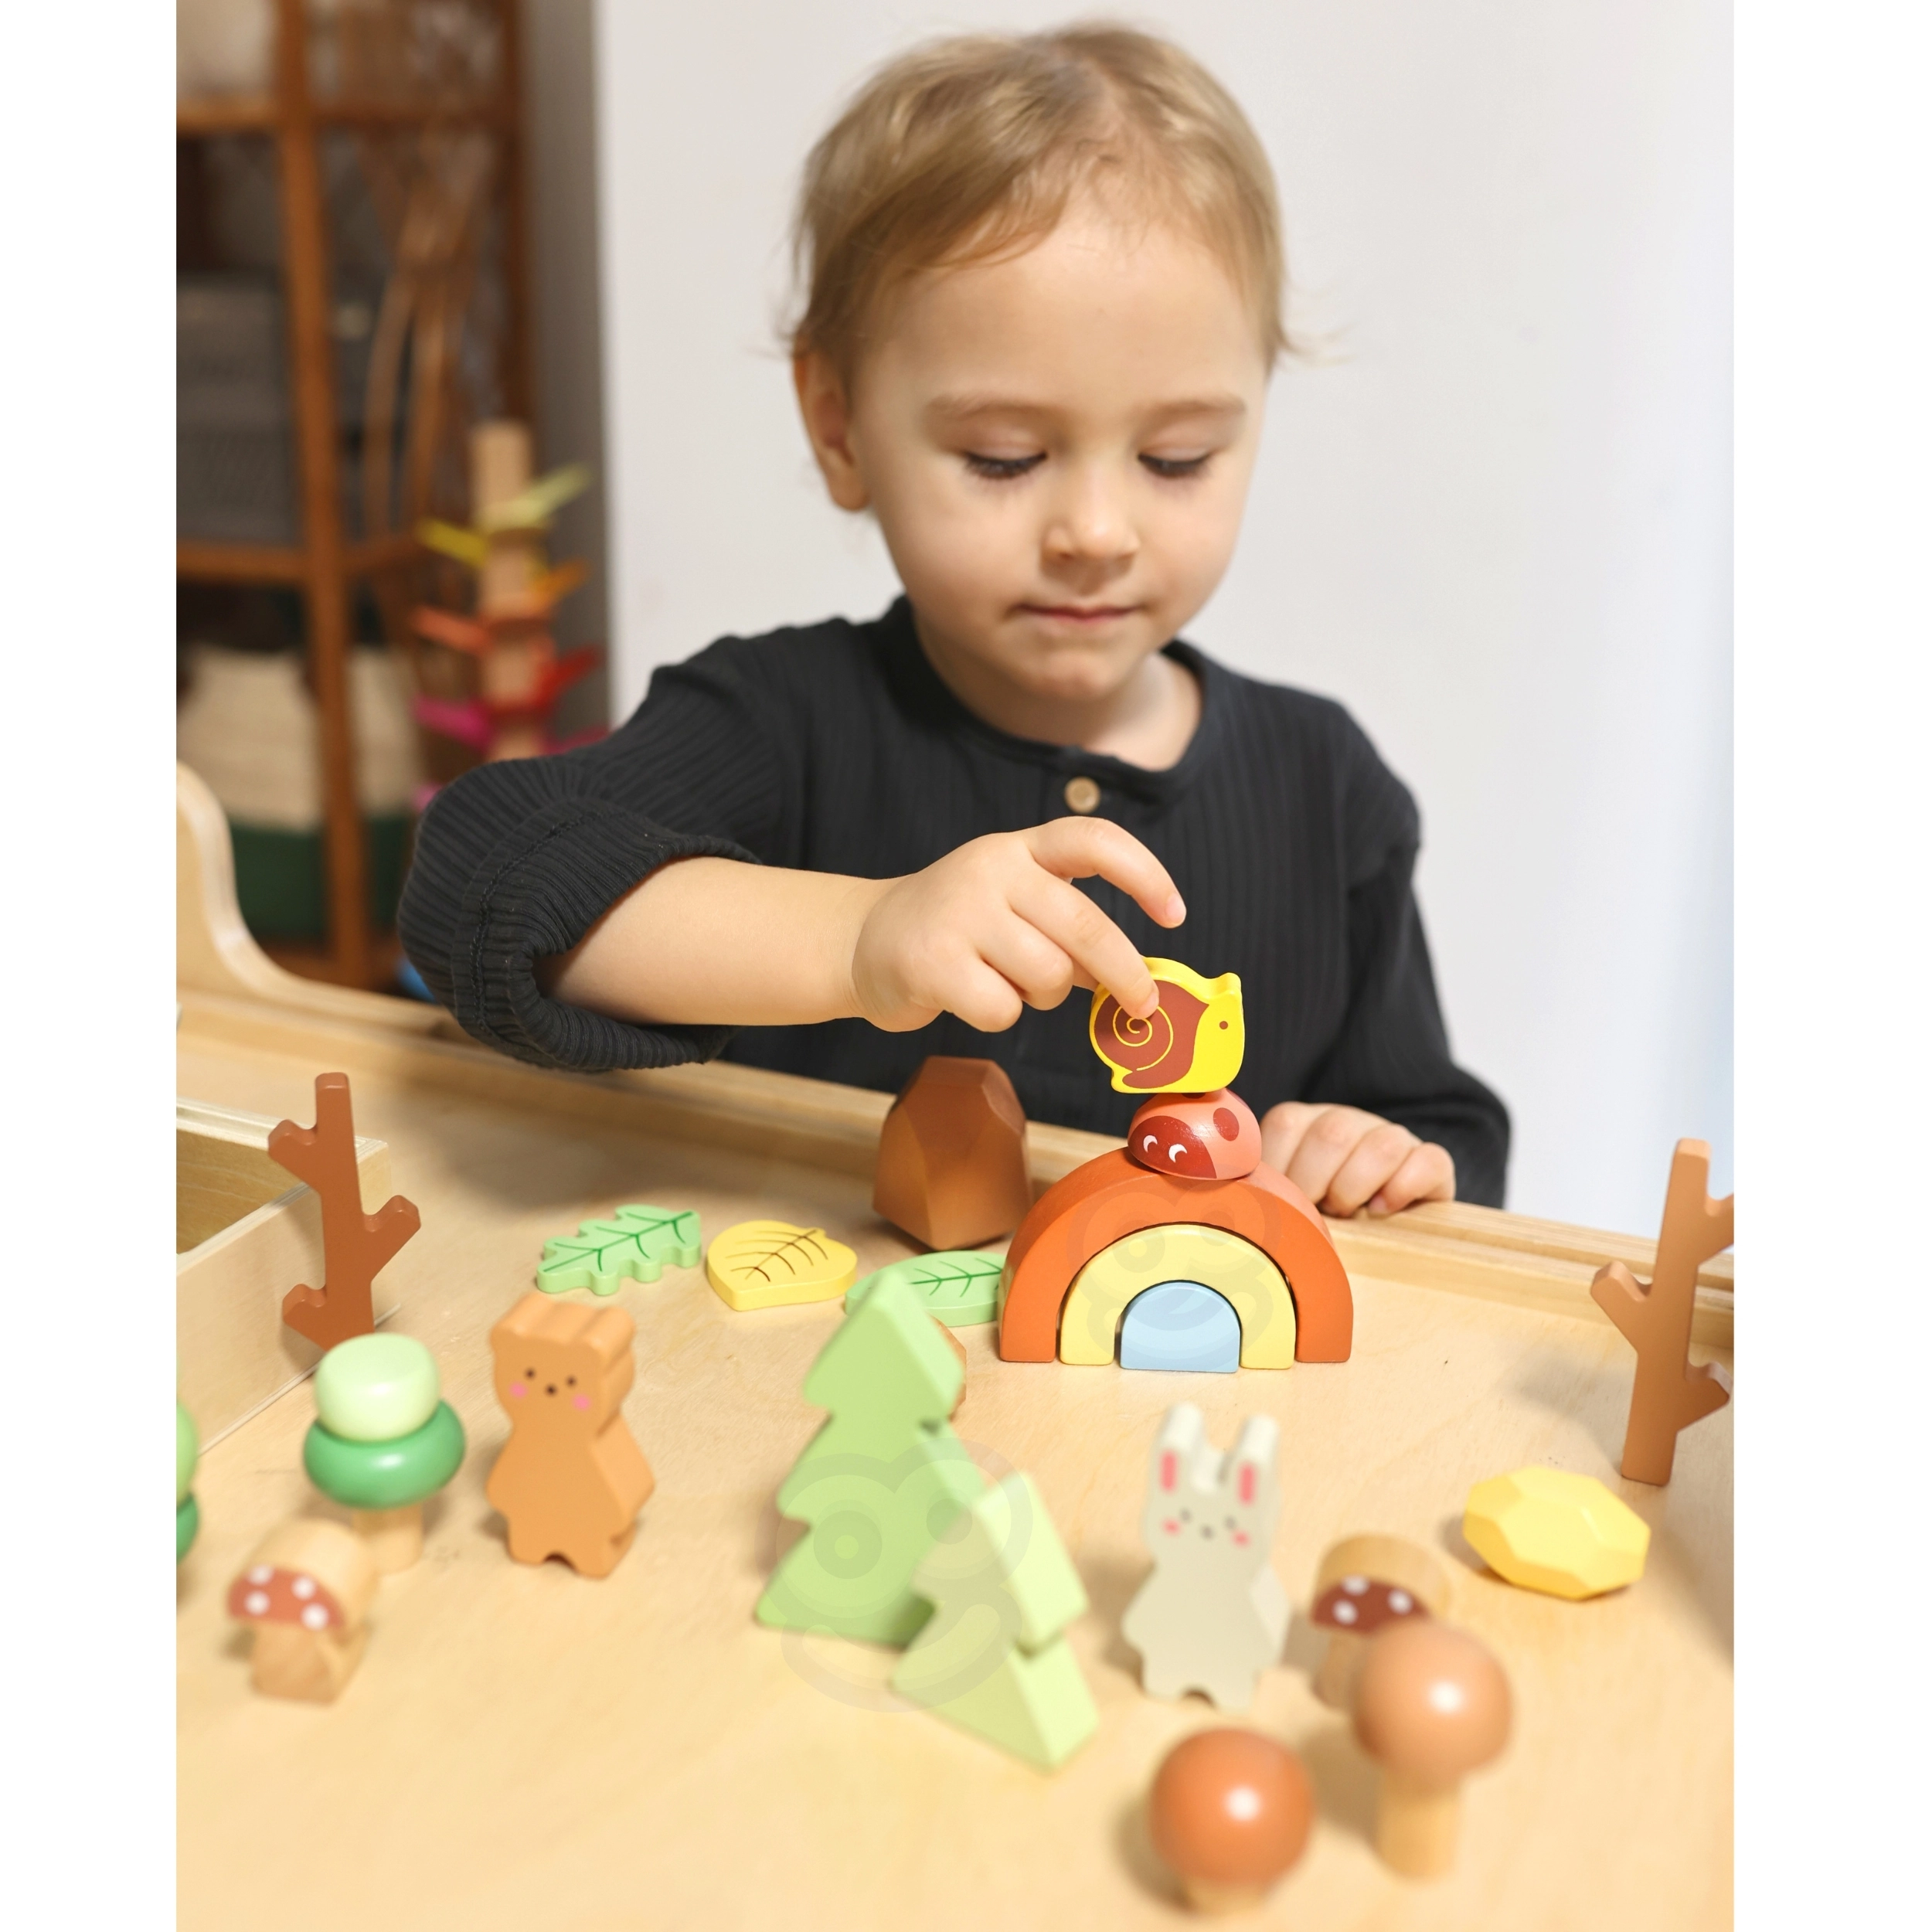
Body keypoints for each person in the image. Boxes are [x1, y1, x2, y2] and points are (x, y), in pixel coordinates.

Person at [399, 23, 1509, 1216]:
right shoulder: (783, 721)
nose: (1096, 531)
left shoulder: (1326, 790)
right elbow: (483, 879)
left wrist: (1378, 1156)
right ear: (839, 427)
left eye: (1177, 457)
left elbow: (1442, 1133)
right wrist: (858, 935)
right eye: (1004, 457)